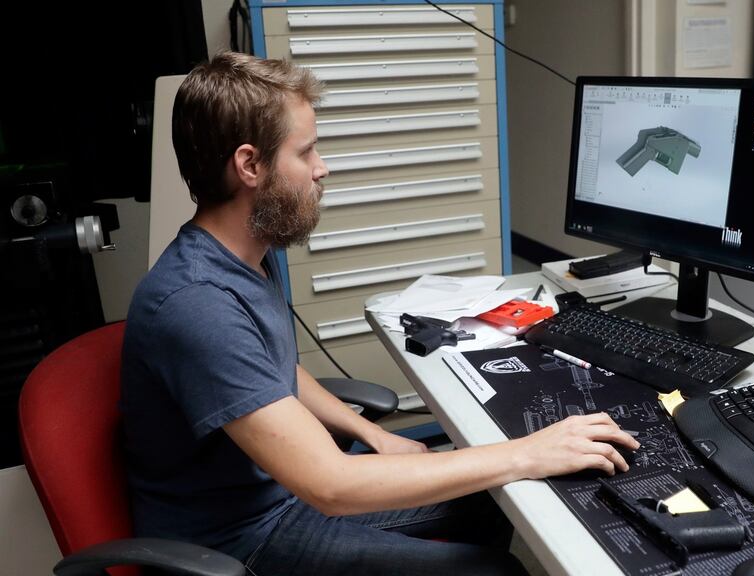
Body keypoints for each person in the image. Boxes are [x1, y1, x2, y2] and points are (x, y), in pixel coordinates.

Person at [120, 51, 639, 575]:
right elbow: (331, 487)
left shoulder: (245, 254)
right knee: (496, 566)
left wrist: (375, 436)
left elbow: (270, 370)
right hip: (242, 540)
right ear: (250, 165)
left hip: (283, 492)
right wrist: (530, 451)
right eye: (307, 152)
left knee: (497, 494)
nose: (322, 168)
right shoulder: (198, 303)